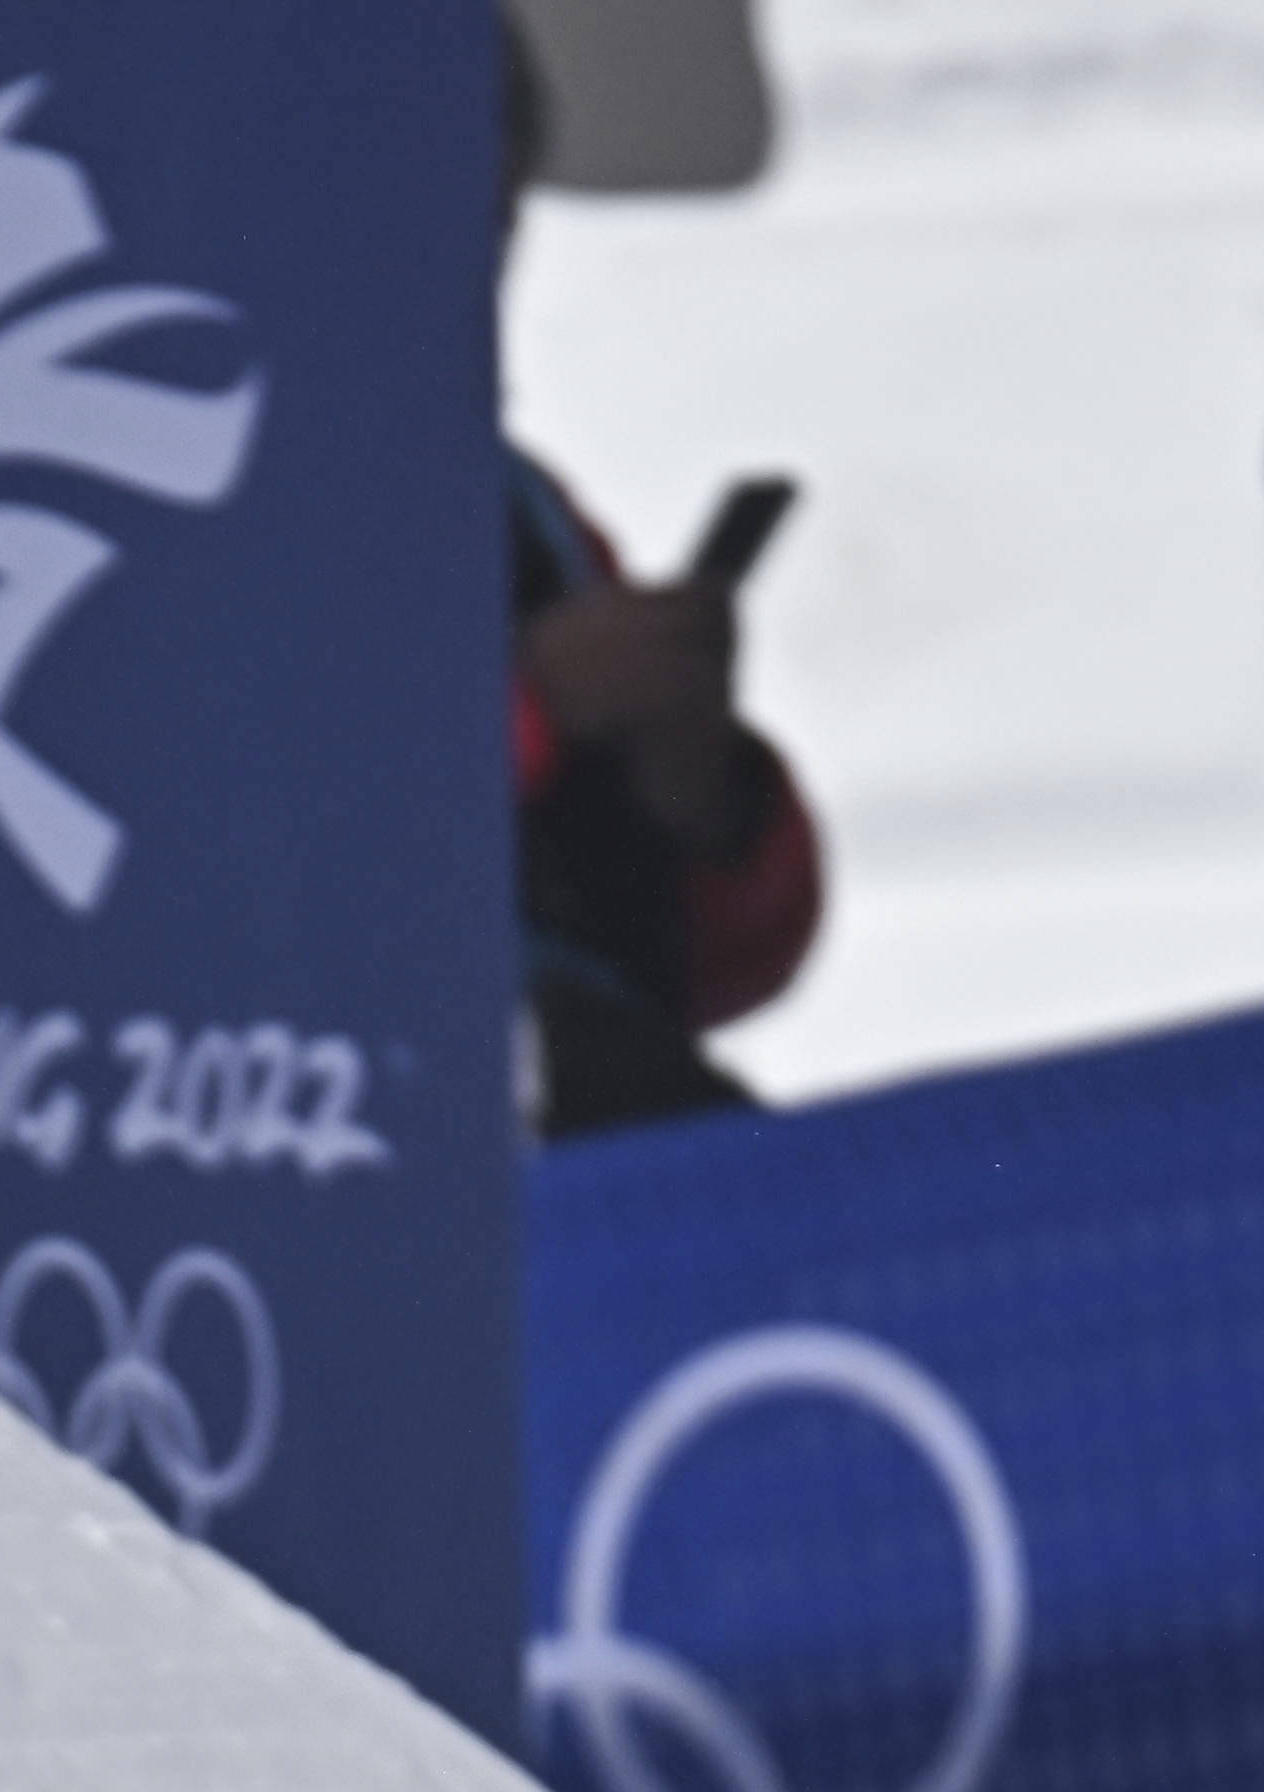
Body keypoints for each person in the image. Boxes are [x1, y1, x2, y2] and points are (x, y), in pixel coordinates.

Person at [502, 11, 823, 1130]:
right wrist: (535, 710)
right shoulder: (160, 471)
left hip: (589, 1103)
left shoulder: (524, 512)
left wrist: (695, 786)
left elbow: (722, 970)